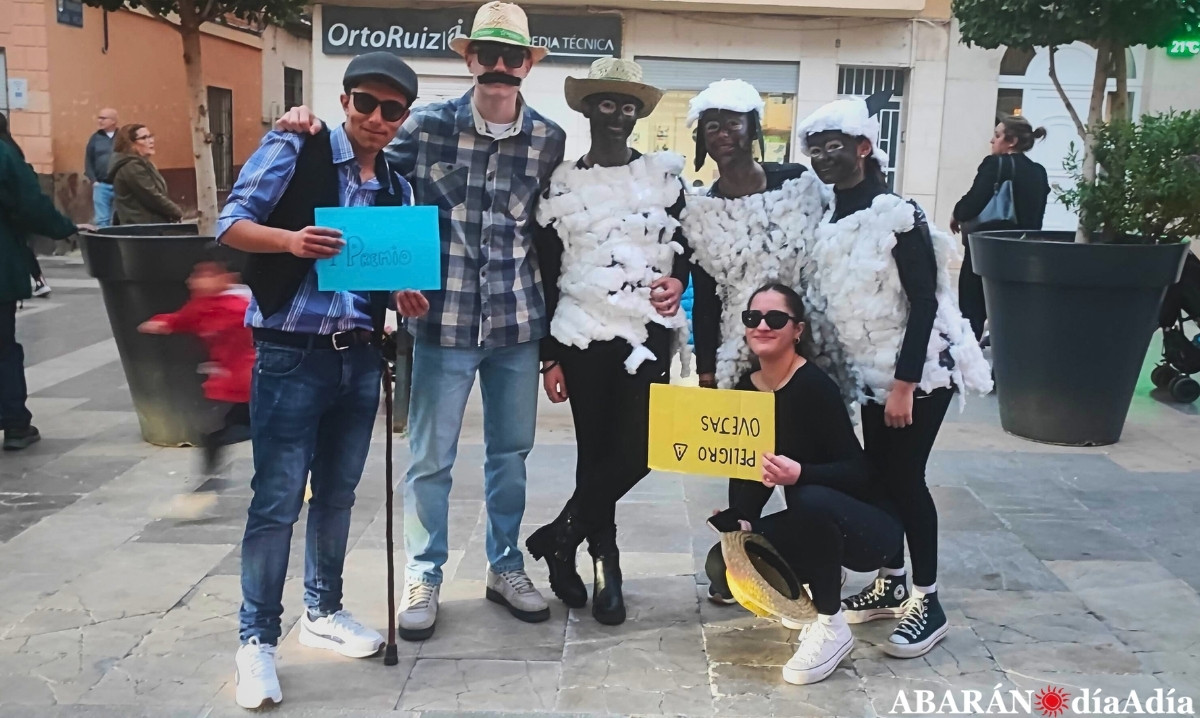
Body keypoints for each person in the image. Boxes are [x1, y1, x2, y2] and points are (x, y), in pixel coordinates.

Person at [277, 1, 568, 640]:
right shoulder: (424, 126)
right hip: (441, 323)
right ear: (468, 59)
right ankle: (424, 573)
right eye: (486, 54)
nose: (498, 67)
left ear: (526, 64)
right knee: (430, 457)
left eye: (511, 57)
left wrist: (555, 343)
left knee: (511, 455)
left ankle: (505, 566)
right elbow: (360, 163)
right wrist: (307, 124)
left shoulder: (550, 139)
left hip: (517, 323)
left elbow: (551, 233)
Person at [217, 52, 422, 710]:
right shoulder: (295, 145)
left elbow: (386, 275)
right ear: (345, 100)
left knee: (337, 496)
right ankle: (256, 640)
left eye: (392, 110)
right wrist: (290, 243)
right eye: (367, 103)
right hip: (289, 351)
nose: (377, 119)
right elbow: (230, 224)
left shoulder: (397, 184)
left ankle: (323, 613)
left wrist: (405, 294)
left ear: (404, 118)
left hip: (359, 355)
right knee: (276, 501)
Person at [796, 95, 992, 659]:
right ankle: (891, 579)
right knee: (879, 477)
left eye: (835, 146)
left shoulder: (897, 213)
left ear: (863, 147)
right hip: (869, 376)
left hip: (918, 374)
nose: (824, 157)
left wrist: (906, 383)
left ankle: (928, 600)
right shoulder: (832, 216)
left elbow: (925, 303)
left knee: (905, 479)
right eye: (816, 148)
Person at [526, 58, 689, 625]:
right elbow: (547, 269)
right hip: (581, 336)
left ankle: (561, 534)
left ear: (638, 114)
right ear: (589, 109)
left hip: (645, 336)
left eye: (627, 106)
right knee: (593, 452)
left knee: (642, 446)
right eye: (606, 104)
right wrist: (549, 354)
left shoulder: (665, 180)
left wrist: (677, 281)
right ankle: (604, 563)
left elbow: (684, 250)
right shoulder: (563, 182)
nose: (617, 115)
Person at [681, 80, 847, 587]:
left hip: (803, 341)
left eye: (734, 121)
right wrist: (707, 371)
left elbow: (830, 251)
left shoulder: (796, 184)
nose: (724, 133)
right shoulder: (703, 208)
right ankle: (741, 558)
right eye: (712, 124)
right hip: (741, 347)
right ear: (702, 139)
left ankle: (818, 558)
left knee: (805, 455)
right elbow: (705, 298)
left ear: (754, 127)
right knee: (746, 457)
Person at [704, 283, 904, 685]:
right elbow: (748, 469)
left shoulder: (815, 387)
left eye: (775, 318)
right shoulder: (747, 387)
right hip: (814, 520)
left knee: (807, 498)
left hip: (870, 530)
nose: (762, 325)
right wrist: (740, 520)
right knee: (721, 563)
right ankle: (815, 595)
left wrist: (802, 473)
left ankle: (832, 626)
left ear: (797, 330)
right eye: (752, 318)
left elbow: (860, 472)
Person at [0, 138, 85, 450]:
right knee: (2, 348)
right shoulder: (4, 154)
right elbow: (29, 204)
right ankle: (15, 424)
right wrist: (64, 228)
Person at [138, 253, 254, 478]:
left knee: (231, 429)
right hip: (235, 383)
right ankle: (210, 477)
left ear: (228, 278)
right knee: (220, 430)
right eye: (196, 275)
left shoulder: (240, 306)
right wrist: (166, 323)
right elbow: (186, 318)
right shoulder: (205, 304)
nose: (195, 281)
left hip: (250, 382)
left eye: (206, 275)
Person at [951, 115, 1050, 340]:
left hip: (986, 248)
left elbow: (975, 200)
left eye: (997, 135)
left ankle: (970, 363)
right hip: (1021, 251)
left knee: (972, 312)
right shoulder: (1038, 172)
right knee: (1008, 314)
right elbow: (1038, 216)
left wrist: (957, 214)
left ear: (1011, 141)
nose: (991, 141)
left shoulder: (994, 165)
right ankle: (1003, 368)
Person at [0, 113, 51, 297]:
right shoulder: (12, 148)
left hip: (10, 217)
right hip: (15, 217)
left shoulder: (6, 152)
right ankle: (39, 280)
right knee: (22, 247)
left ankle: (38, 280)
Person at [108, 124, 183, 225]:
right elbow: (151, 196)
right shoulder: (131, 166)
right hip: (141, 227)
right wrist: (177, 212)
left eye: (150, 136)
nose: (151, 141)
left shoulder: (143, 164)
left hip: (150, 225)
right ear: (131, 143)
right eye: (144, 138)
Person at [86, 108, 119, 227]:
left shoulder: (122, 138)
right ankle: (105, 244)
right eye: (99, 118)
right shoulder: (95, 138)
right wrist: (93, 180)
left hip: (120, 184)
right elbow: (88, 160)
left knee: (121, 217)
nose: (100, 121)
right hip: (101, 185)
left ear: (113, 121)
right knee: (102, 220)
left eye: (103, 118)